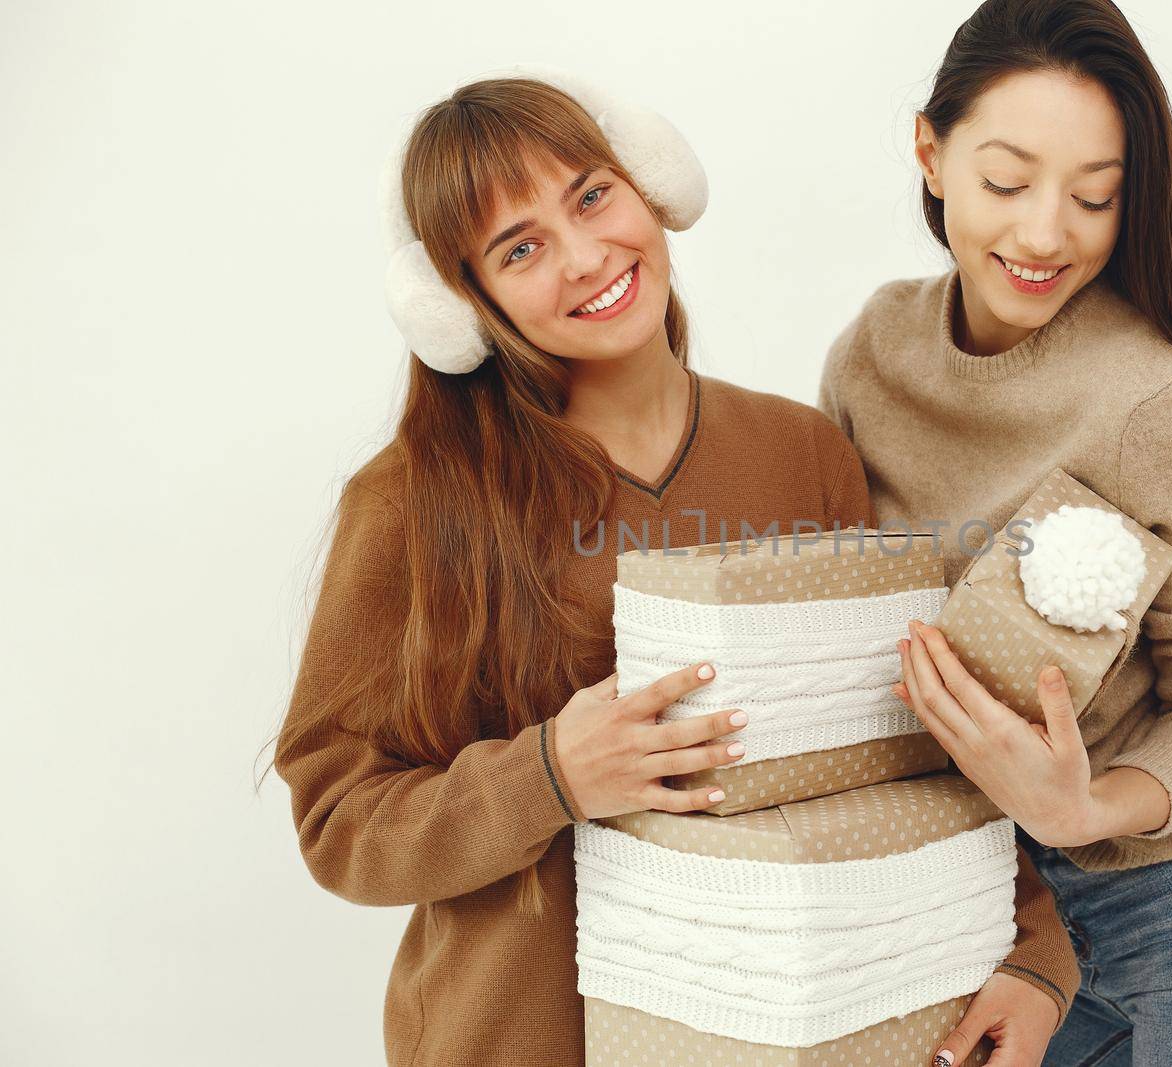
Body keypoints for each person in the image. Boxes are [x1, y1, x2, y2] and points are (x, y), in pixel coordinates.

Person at [269, 72, 1078, 1065]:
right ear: (462, 304)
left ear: (650, 186)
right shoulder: (410, 505)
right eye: (518, 249)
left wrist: (1033, 953)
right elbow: (339, 817)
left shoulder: (801, 452)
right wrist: (550, 775)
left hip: (791, 1036)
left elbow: (907, 735)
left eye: (591, 195)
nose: (584, 256)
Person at [818, 2, 1172, 1064]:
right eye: (1006, 182)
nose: (1042, 234)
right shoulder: (872, 356)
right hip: (998, 929)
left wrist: (1088, 802)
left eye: (1094, 195)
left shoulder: (1160, 406)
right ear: (930, 154)